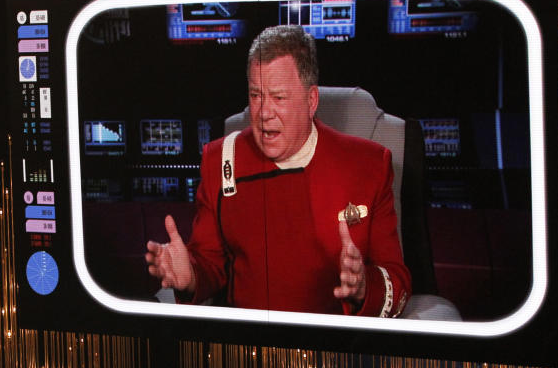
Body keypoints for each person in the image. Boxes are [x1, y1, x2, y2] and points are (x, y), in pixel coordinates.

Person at [146, 25, 411, 317]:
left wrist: (364, 287)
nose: (264, 113)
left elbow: (398, 282)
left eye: (279, 97)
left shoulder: (368, 165)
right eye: (256, 95)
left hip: (335, 349)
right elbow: (210, 266)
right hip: (250, 348)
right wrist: (190, 277)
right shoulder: (221, 160)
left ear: (311, 101)